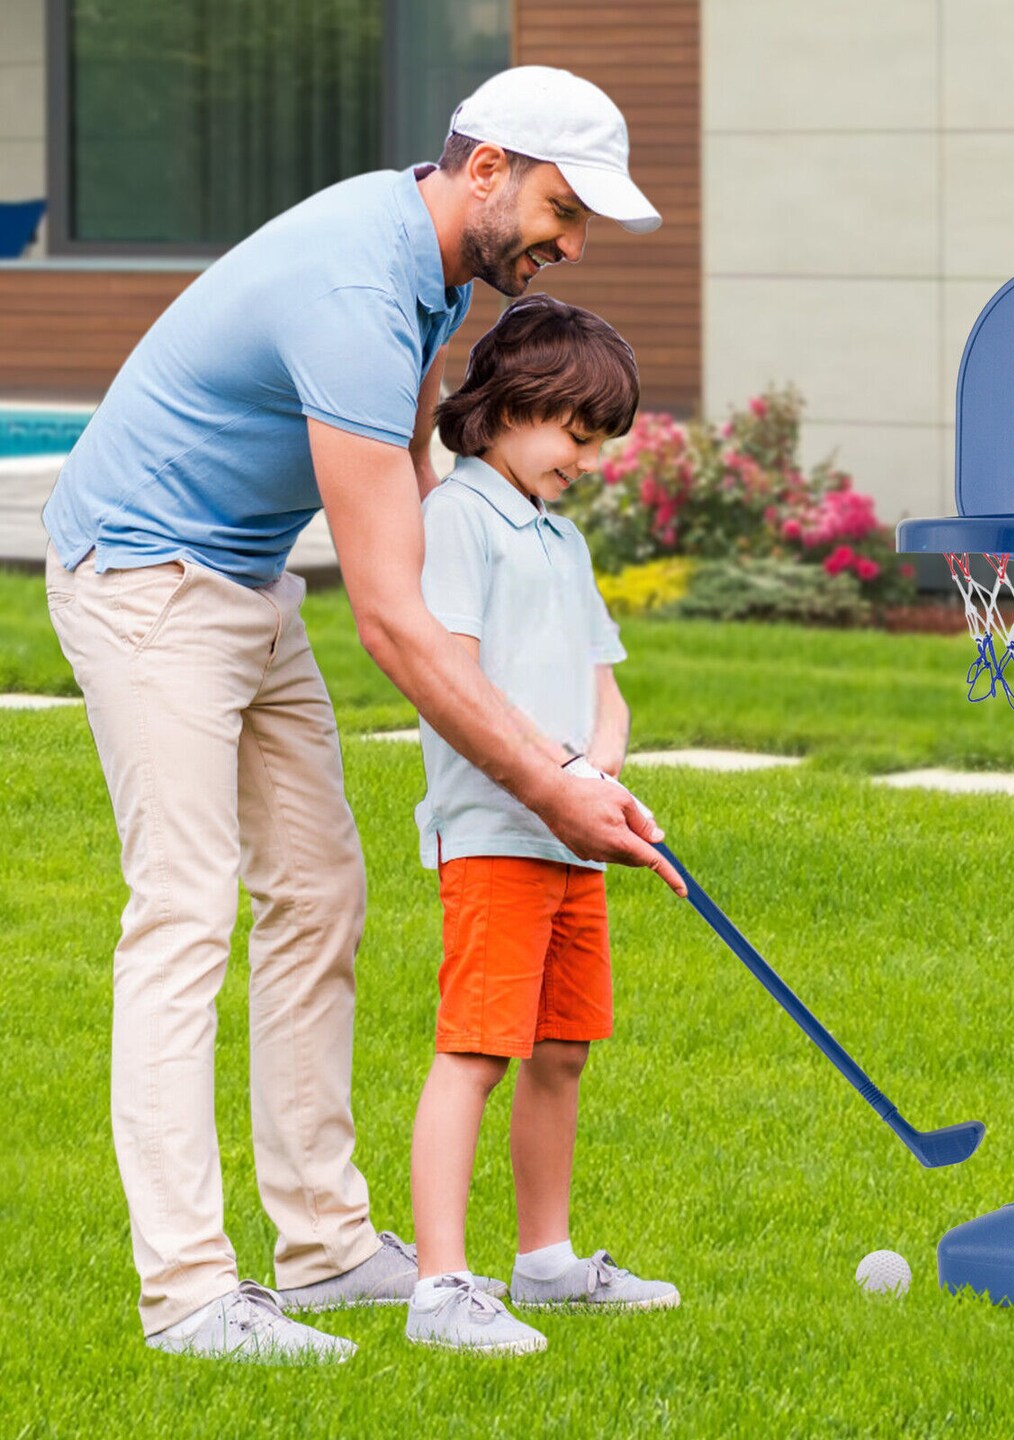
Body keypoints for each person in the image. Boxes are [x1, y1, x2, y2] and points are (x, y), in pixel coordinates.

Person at [42, 64, 684, 1364]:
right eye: (565, 209)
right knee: (183, 906)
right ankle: (186, 1295)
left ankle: (328, 1247)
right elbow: (391, 620)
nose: (570, 246)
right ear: (489, 166)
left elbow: (399, 457)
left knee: (321, 886)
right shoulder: (356, 278)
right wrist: (553, 784)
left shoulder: (435, 267)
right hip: (144, 572)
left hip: (241, 573)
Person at [402, 295, 678, 1356]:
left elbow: (608, 685)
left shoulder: (560, 541)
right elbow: (454, 676)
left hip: (573, 839)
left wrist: (600, 760)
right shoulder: (459, 521)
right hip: (492, 836)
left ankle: (545, 1262)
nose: (588, 457)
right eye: (576, 431)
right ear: (510, 407)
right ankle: (440, 1288)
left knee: (561, 1049)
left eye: (601, 440)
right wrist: (558, 771)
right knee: (477, 1051)